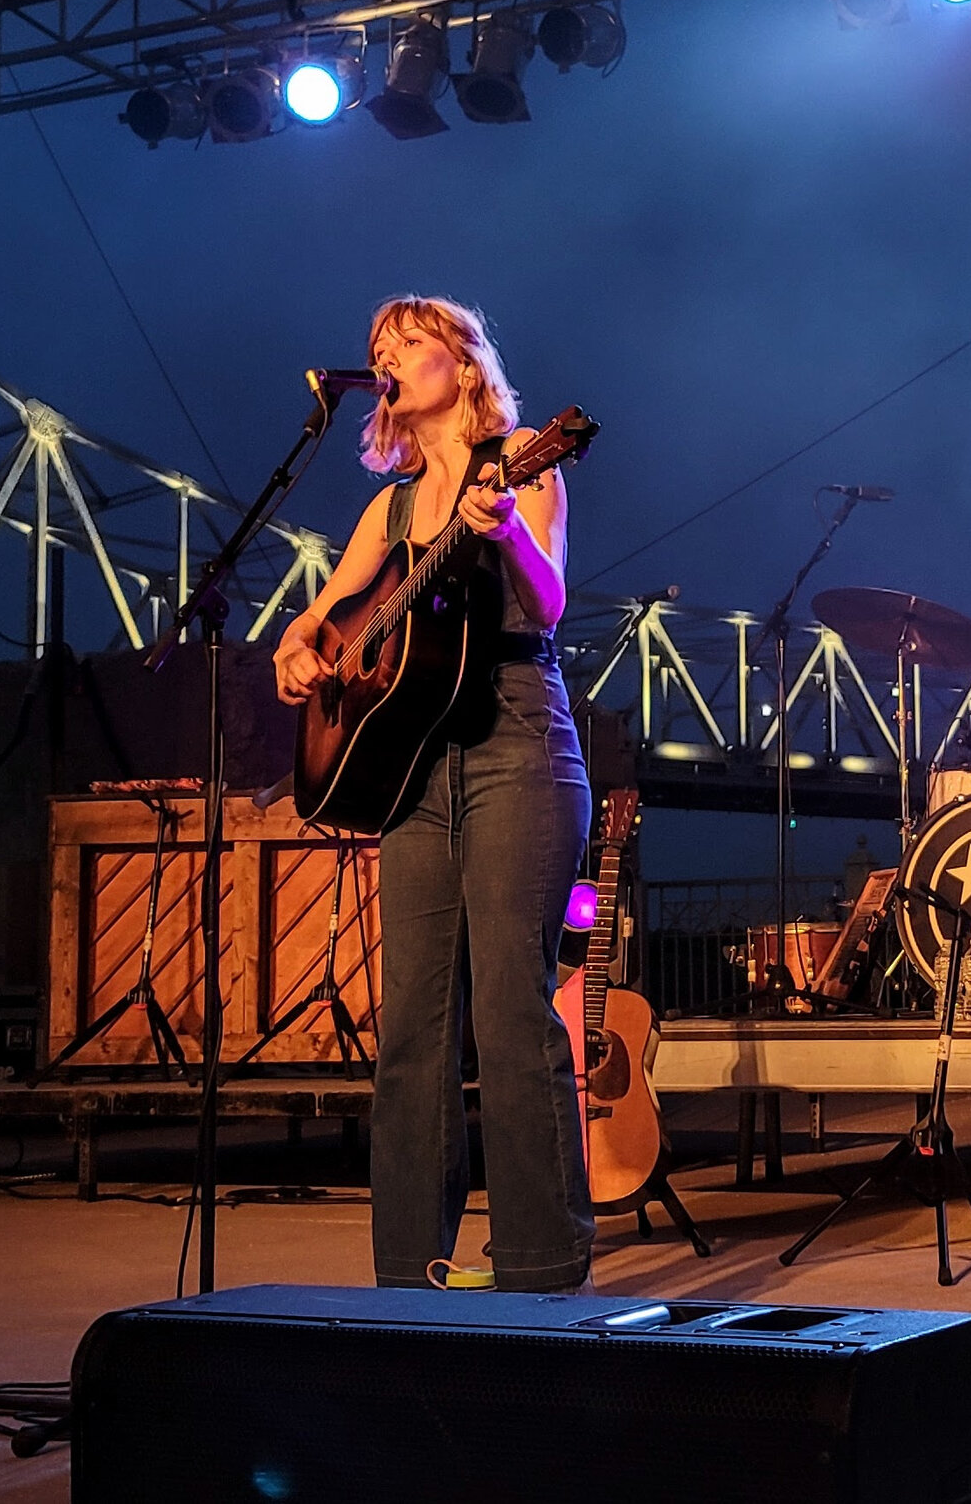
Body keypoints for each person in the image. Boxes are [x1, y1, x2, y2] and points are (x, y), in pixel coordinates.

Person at [272, 296, 595, 1294]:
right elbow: (323, 620)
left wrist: (496, 534)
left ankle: (541, 1268)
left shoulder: (520, 462)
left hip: (516, 740)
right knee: (410, 1026)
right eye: (376, 350)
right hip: (413, 764)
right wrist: (298, 649)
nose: (386, 360)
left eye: (406, 345)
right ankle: (406, 1277)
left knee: (509, 1010)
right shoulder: (392, 507)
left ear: (460, 364)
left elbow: (544, 604)